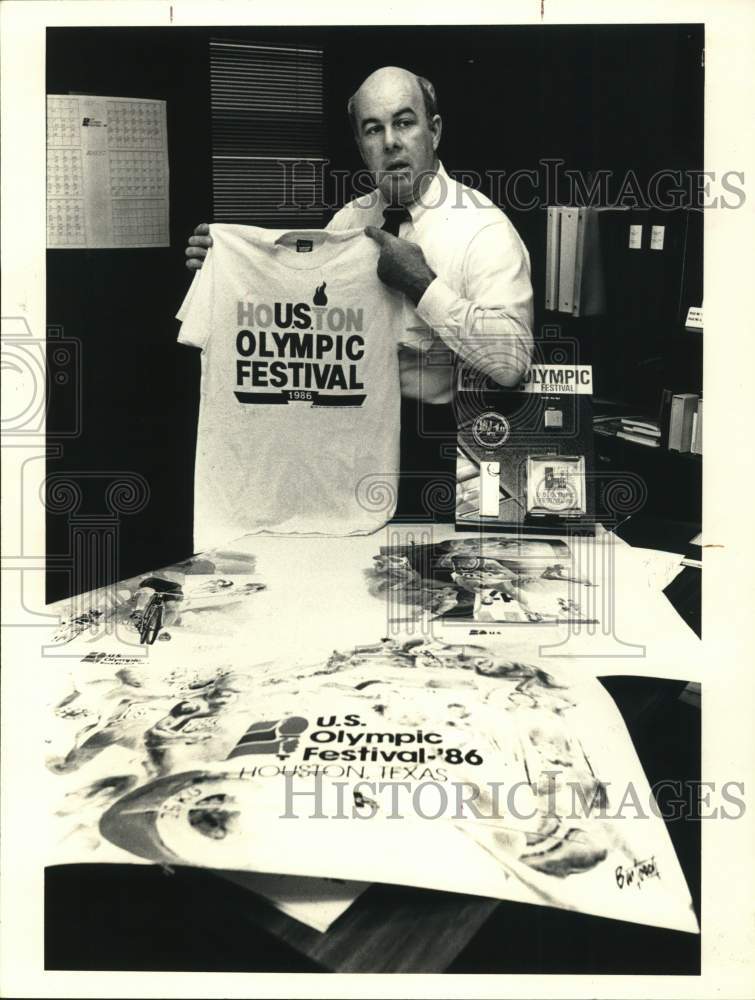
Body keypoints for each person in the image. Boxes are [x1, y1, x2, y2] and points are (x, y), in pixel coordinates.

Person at [185, 66, 534, 519]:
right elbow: (299, 330)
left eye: (404, 122)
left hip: (440, 454)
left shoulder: (483, 229)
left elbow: (511, 362)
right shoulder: (348, 223)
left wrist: (421, 285)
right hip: (345, 443)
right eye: (374, 129)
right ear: (361, 145)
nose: (390, 141)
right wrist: (224, 273)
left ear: (435, 130)